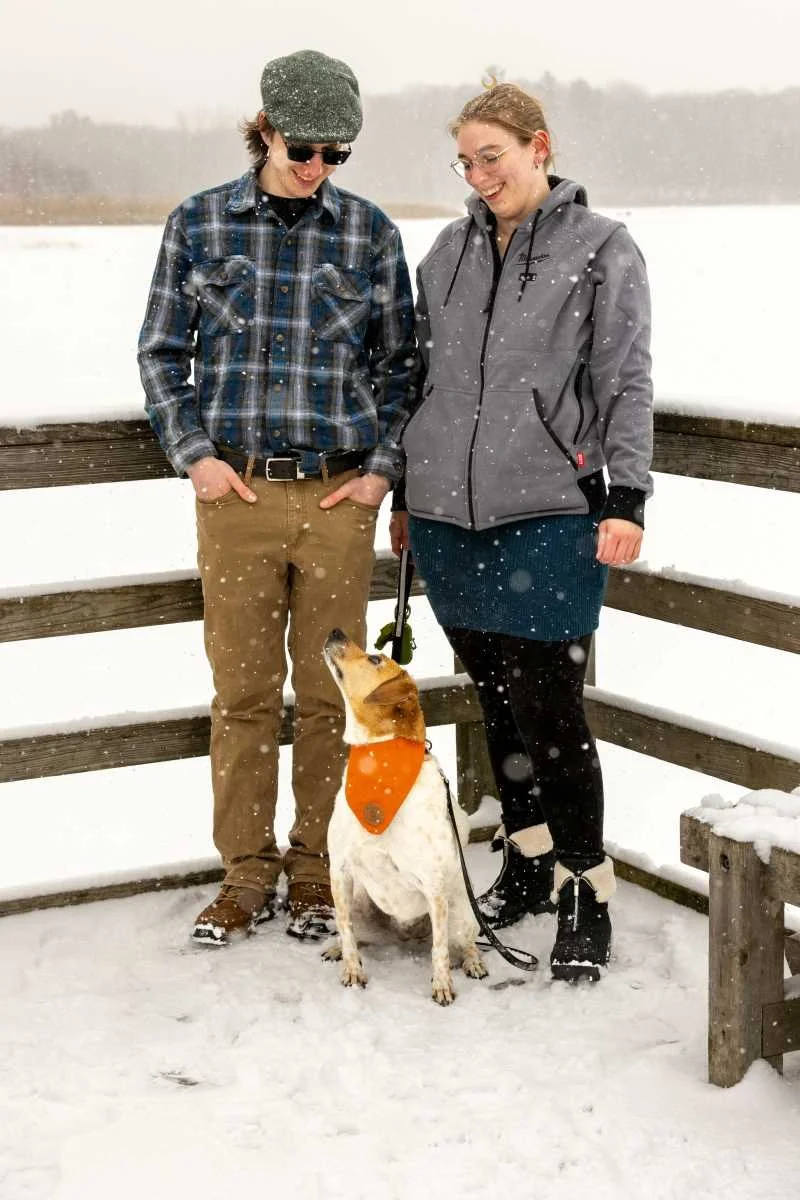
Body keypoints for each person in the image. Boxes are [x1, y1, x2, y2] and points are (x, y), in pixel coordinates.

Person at [139, 50, 416, 946]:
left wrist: (379, 472)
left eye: (338, 153)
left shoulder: (370, 234)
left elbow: (403, 366)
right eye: (305, 146)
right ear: (264, 126)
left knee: (333, 696)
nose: (318, 166)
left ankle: (315, 867)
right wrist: (195, 456)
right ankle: (246, 872)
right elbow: (158, 353)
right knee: (245, 694)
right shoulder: (199, 223)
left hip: (338, 499)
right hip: (236, 495)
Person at [390, 82, 653, 982]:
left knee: (551, 709)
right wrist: (404, 488)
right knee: (495, 697)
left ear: (539, 147)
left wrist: (626, 499)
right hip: (446, 518)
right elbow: (423, 381)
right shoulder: (447, 252)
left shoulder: (602, 249)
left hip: (548, 510)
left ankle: (587, 882)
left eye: (491, 155)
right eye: (465, 160)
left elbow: (624, 382)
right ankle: (531, 856)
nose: (477, 173)